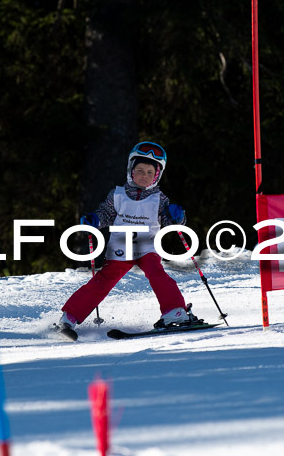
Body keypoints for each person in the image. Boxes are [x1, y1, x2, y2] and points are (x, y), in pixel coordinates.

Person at [57, 141, 197, 335]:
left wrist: (177, 216)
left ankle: (174, 311)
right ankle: (69, 317)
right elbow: (105, 214)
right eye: (140, 171)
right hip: (121, 247)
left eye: (150, 173)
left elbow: (172, 222)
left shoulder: (159, 198)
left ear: (157, 176)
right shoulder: (118, 195)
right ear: (131, 170)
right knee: (103, 281)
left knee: (157, 274)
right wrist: (94, 220)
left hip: (148, 247)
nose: (144, 176)